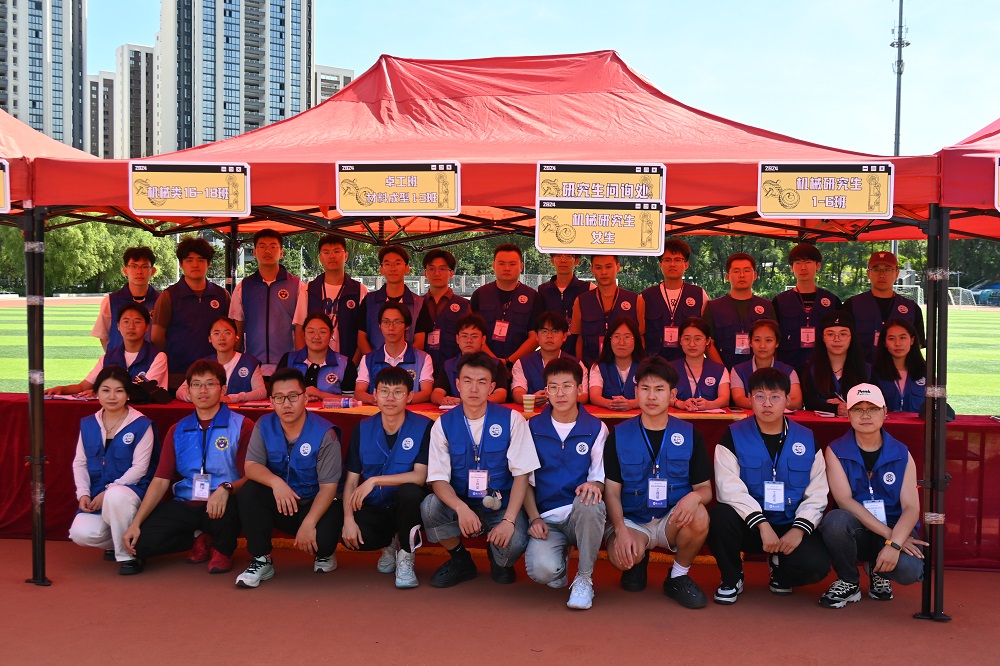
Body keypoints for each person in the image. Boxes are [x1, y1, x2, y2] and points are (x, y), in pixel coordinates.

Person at [707, 367, 830, 604]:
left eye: (775, 397)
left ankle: (780, 571)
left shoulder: (806, 438)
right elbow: (728, 488)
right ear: (749, 399)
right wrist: (761, 524)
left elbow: (817, 491)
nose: (767, 404)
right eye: (760, 396)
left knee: (816, 565)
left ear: (787, 400)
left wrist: (799, 529)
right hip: (750, 525)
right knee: (719, 517)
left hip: (789, 524)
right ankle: (732, 578)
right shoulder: (733, 435)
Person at [122, 360, 254, 575]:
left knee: (231, 507)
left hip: (223, 501)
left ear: (223, 389)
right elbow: (161, 480)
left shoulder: (242, 425)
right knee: (140, 545)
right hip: (187, 502)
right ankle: (198, 538)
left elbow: (252, 476)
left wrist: (227, 488)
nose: (203, 390)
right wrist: (136, 523)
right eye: (196, 384)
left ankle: (222, 549)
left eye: (210, 384)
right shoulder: (178, 429)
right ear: (189, 391)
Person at [420, 352, 540, 587]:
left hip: (500, 505)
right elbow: (437, 479)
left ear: (492, 387)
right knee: (430, 507)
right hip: (461, 502)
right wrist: (461, 508)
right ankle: (461, 560)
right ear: (458, 384)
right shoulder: (443, 424)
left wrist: (509, 520)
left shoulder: (512, 419)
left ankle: (498, 558)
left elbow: (522, 475)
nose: (474, 389)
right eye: (468, 381)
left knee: (515, 541)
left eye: (482, 382)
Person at [603, 357, 712, 609]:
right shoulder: (619, 434)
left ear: (672, 394)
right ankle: (638, 559)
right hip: (632, 520)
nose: (651, 396)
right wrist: (620, 530)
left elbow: (705, 489)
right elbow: (612, 491)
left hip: (670, 518)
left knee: (700, 515)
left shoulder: (690, 434)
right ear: (636, 392)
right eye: (645, 388)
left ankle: (677, 576)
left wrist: (694, 497)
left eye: (659, 389)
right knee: (623, 558)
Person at [819, 383, 926, 608]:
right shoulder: (835, 450)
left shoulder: (902, 453)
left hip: (893, 526)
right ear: (848, 413)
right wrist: (893, 540)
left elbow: (911, 508)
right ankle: (849, 581)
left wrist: (894, 542)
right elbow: (844, 501)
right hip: (859, 529)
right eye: (858, 409)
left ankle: (879, 572)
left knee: (910, 569)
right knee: (835, 521)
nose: (865, 415)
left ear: (885, 412)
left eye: (873, 409)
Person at [235, 367, 344, 588]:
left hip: (315, 503)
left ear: (305, 398)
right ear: (271, 401)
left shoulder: (325, 434)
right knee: (250, 491)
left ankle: (325, 553)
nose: (286, 404)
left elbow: (328, 488)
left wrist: (309, 523)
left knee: (323, 541)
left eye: (293, 396)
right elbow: (251, 466)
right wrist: (276, 483)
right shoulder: (264, 425)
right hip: (282, 501)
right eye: (279, 397)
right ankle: (261, 559)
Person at [524, 358, 608, 610]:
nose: (560, 393)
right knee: (543, 571)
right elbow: (524, 481)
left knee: (591, 502)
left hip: (580, 514)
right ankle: (559, 561)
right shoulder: (532, 427)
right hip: (548, 518)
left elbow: (600, 478)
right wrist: (534, 518)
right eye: (553, 387)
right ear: (546, 391)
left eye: (567, 386)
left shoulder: (596, 428)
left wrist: (594, 486)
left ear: (579, 389)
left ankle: (584, 578)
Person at [342, 367, 433, 588]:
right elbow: (351, 481)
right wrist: (348, 519)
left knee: (409, 492)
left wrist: (374, 480)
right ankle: (390, 542)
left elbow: (420, 476)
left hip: (410, 506)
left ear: (409, 396)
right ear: (375, 394)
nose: (390, 398)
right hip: (378, 506)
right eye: (384, 391)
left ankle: (406, 554)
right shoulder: (363, 428)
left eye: (398, 392)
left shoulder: (424, 427)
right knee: (349, 534)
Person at [68, 367, 158, 572]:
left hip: (132, 492)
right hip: (98, 494)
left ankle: (130, 555)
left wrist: (108, 491)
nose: (112, 396)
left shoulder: (141, 424)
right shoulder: (89, 424)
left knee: (116, 496)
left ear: (128, 394)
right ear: (96, 392)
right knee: (80, 533)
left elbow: (140, 468)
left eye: (119, 391)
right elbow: (80, 463)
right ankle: (117, 541)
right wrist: (83, 493)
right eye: (105, 390)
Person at [152, 236, 231, 389]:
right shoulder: (168, 296)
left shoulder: (222, 295)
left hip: (215, 374)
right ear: (181, 264)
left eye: (200, 260)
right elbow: (157, 337)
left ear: (208, 263)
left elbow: (231, 332)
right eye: (189, 260)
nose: (195, 264)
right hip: (178, 375)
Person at [46, 303, 168, 396]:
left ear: (147, 327)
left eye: (137, 322)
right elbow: (83, 386)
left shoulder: (158, 357)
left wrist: (101, 393)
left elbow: (146, 392)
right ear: (118, 326)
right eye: (126, 322)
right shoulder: (108, 357)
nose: (131, 327)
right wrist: (61, 389)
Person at [229, 229, 302, 377]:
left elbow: (301, 326)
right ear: (255, 252)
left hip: (288, 362)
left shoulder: (297, 285)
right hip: (252, 362)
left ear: (281, 253)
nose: (267, 251)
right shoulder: (243, 287)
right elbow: (237, 326)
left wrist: (301, 359)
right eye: (262, 246)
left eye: (273, 246)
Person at [295, 233, 368, 362]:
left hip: (347, 360)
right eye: (326, 252)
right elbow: (299, 329)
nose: (332, 256)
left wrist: (352, 365)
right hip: (314, 362)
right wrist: (304, 362)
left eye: (337, 251)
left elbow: (363, 333)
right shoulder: (308, 290)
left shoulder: (359, 290)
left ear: (346, 256)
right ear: (320, 258)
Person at [471, 243, 545, 369]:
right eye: (501, 263)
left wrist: (510, 361)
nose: (506, 268)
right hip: (484, 364)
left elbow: (535, 337)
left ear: (521, 266)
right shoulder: (480, 295)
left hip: (520, 365)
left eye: (512, 264)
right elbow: (473, 333)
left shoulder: (533, 297)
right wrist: (494, 361)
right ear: (493, 266)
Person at [844, 250, 925, 364]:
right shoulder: (852, 305)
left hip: (897, 370)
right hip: (862, 369)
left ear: (897, 273)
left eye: (887, 269)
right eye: (876, 269)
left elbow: (917, 344)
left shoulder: (911, 308)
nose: (882, 275)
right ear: (868, 273)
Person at [771, 243, 842, 371]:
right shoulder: (779, 301)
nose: (803, 267)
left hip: (823, 367)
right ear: (791, 267)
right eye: (798, 263)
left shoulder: (832, 301)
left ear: (818, 265)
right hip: (788, 367)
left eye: (808, 262)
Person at [356, 246, 432, 359]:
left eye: (397, 263)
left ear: (407, 268)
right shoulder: (368, 301)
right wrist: (374, 361)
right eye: (387, 264)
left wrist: (402, 363)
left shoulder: (419, 303)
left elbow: (420, 342)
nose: (393, 268)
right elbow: (361, 339)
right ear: (381, 269)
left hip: (408, 366)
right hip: (375, 365)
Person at [705, 253, 776, 370]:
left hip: (759, 372)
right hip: (724, 371)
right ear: (727, 276)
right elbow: (708, 344)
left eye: (747, 271)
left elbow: (774, 342)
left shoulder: (767, 306)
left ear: (755, 275)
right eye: (736, 271)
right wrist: (723, 373)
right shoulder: (713, 307)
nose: (742, 275)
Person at [641, 239, 709, 362]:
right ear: (660, 265)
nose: (672, 264)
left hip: (688, 362)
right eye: (667, 260)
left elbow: (707, 331)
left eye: (677, 260)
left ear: (686, 265)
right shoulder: (646, 296)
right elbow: (640, 333)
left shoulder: (699, 294)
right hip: (654, 363)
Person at [571, 254, 643, 368]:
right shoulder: (581, 301)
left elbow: (641, 338)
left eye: (608, 267)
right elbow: (579, 339)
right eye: (598, 267)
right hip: (591, 366)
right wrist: (581, 369)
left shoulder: (635, 300)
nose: (604, 272)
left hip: (626, 368)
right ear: (592, 269)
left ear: (618, 267)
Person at [355, 302, 434, 405]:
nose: (391, 328)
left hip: (410, 412)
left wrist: (397, 402)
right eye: (386, 322)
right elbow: (358, 393)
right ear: (379, 325)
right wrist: (377, 400)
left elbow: (427, 393)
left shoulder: (423, 358)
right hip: (379, 412)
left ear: (407, 326)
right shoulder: (368, 359)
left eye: (397, 322)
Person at [175, 317, 266, 403]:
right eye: (216, 333)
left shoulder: (249, 362)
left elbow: (261, 392)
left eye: (227, 333)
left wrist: (232, 398)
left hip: (239, 412)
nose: (222, 338)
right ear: (209, 338)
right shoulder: (204, 364)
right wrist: (196, 397)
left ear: (236, 337)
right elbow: (180, 391)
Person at [511, 311, 589, 406]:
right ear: (536, 336)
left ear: (564, 336)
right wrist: (532, 399)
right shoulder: (522, 363)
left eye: (555, 331)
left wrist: (559, 398)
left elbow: (583, 396)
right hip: (535, 413)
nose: (549, 336)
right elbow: (517, 393)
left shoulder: (576, 364)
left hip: (566, 413)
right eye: (544, 331)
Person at [91, 246, 160, 351]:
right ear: (125, 270)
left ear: (153, 271)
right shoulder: (111, 301)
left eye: (144, 267)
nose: (139, 271)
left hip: (153, 360)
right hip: (119, 360)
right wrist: (114, 357)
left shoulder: (162, 300)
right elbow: (103, 335)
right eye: (134, 266)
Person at [800, 310, 869, 416]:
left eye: (843, 334)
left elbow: (875, 401)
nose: (837, 339)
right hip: (820, 425)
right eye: (830, 334)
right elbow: (809, 402)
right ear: (823, 338)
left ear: (851, 337)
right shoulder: (810, 369)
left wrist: (849, 406)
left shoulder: (866, 370)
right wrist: (835, 408)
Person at [431, 314, 510, 405]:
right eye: (464, 336)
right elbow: (436, 393)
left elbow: (501, 395)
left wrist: (469, 403)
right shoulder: (448, 365)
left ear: (483, 340)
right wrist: (443, 400)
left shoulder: (495, 364)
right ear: (457, 339)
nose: (469, 340)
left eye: (474, 336)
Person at [278, 313, 356, 399]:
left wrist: (321, 395)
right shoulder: (289, 360)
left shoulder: (345, 364)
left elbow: (352, 400)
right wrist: (301, 397)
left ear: (331, 334)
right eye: (311, 332)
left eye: (322, 332)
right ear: (303, 334)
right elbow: (276, 393)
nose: (316, 337)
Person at [730, 319, 803, 410]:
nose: (762, 346)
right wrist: (770, 406)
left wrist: (766, 406)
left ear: (777, 343)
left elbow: (797, 402)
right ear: (750, 342)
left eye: (768, 340)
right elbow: (739, 399)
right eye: (757, 340)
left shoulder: (789, 371)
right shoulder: (738, 370)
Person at [418, 249, 470, 371]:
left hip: (454, 369)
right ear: (425, 273)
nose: (436, 273)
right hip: (421, 368)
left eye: (442, 269)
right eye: (431, 269)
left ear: (451, 273)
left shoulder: (464, 305)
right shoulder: (417, 304)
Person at [669, 317, 730, 412]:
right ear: (680, 341)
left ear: (708, 341)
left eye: (697, 339)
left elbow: (725, 399)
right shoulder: (669, 369)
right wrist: (679, 403)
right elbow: (660, 395)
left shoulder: (720, 370)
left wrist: (710, 405)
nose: (692, 344)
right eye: (687, 339)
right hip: (675, 419)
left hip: (709, 420)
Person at [537, 253, 592, 356]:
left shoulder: (587, 288)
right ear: (552, 260)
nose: (563, 260)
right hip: (550, 353)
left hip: (578, 352)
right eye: (558, 256)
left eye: (568, 256)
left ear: (577, 261)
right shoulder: (543, 290)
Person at [871, 318, 927, 413]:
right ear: (885, 343)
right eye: (891, 339)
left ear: (912, 340)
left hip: (917, 423)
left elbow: (938, 403)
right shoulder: (873, 374)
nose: (897, 344)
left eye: (902, 338)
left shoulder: (927, 373)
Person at [589, 317, 643, 411]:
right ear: (609, 340)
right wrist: (610, 404)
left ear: (635, 341)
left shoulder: (646, 367)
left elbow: (652, 397)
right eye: (616, 336)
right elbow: (594, 396)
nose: (621, 343)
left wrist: (631, 404)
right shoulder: (598, 367)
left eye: (627, 337)